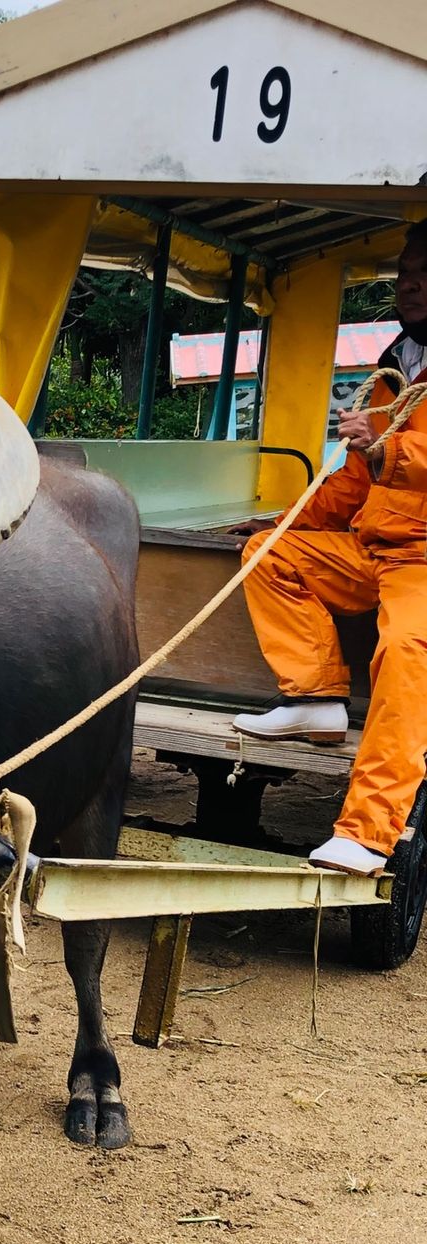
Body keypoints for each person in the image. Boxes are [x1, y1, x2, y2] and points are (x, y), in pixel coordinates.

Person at [232, 219, 427, 877]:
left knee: (404, 652)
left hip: (424, 566)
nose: (412, 287)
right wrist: (282, 524)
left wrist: (388, 450)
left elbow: (388, 455)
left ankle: (368, 835)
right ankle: (315, 698)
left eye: (426, 275)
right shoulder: (393, 369)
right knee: (268, 553)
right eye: (405, 275)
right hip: (376, 550)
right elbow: (346, 483)